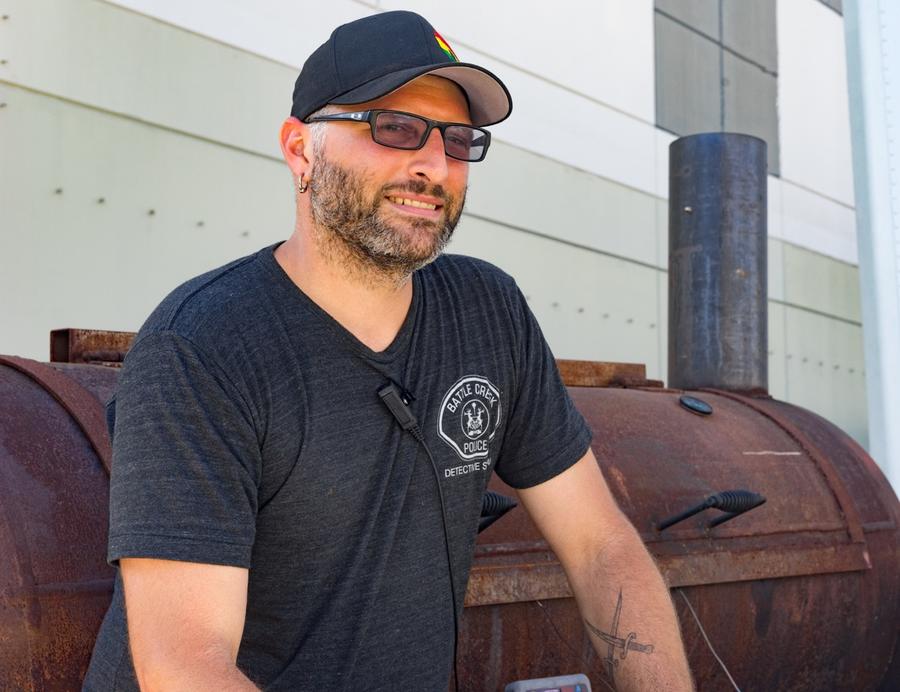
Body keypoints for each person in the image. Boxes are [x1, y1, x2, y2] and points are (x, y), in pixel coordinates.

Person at [84, 11, 693, 692]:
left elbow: (600, 545)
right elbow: (187, 665)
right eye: (394, 128)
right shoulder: (201, 347)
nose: (434, 165)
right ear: (300, 150)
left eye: (458, 140)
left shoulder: (488, 312)